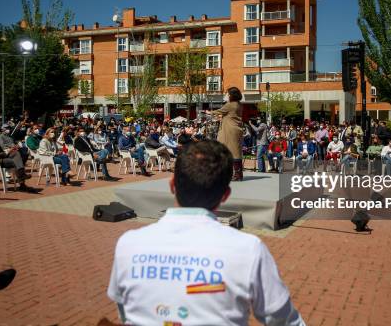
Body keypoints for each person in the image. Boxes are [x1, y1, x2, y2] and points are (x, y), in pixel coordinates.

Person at [107, 140, 304, 325]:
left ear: (172, 185)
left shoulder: (128, 244)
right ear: (226, 195)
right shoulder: (248, 250)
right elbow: (284, 319)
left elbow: (124, 312)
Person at [0, 123, 36, 193]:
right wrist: (6, 152)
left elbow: (0, 150)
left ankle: (22, 177)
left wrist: (10, 150)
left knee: (16, 153)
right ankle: (22, 182)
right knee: (17, 161)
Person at [210, 87, 244, 181]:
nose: (227, 95)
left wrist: (209, 112)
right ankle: (238, 174)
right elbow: (230, 115)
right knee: (236, 151)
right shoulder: (239, 104)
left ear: (232, 95)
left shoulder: (230, 104)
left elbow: (219, 111)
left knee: (230, 151)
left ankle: (234, 174)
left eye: (228, 94)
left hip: (229, 131)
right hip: (236, 129)